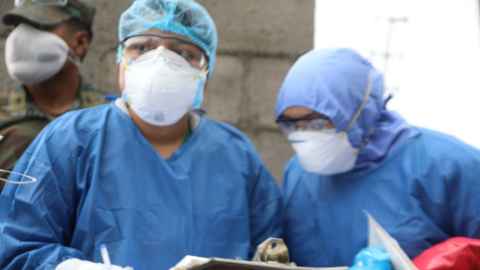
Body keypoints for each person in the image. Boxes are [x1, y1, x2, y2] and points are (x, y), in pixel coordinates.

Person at [0, 0, 283, 269]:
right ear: (120, 60)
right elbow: (18, 247)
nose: (160, 60)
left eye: (184, 53)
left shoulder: (237, 156)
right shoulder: (69, 140)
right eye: (141, 47)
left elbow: (271, 256)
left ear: (206, 72)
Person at [275, 48, 480, 267]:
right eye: (291, 125)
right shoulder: (298, 173)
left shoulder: (450, 165)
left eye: (316, 123)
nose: (304, 136)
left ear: (358, 112)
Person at [0, 0, 102, 192]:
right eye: (17, 26)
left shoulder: (109, 117)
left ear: (80, 42)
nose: (19, 37)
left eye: (39, 26)